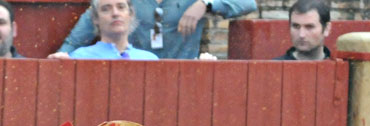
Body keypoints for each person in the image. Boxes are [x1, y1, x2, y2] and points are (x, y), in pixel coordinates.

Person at [49, 0, 256, 59]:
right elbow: (81, 33)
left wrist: (206, 4)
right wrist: (63, 57)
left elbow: (248, 3)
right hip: (135, 74)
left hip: (182, 78)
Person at [67, 0, 158, 59]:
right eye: (106, 9)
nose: (115, 13)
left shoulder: (150, 59)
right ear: (95, 19)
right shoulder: (79, 58)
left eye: (121, 7)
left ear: (131, 15)